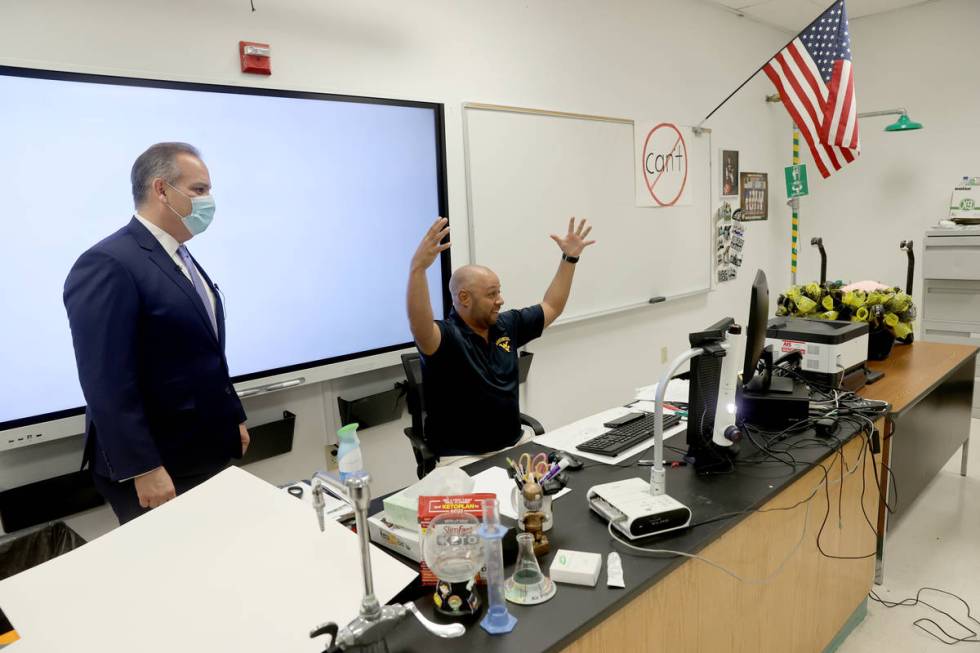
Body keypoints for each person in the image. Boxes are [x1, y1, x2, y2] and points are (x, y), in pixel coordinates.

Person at [63, 142, 249, 524]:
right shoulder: (109, 263)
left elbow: (202, 352)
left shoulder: (179, 255)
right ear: (162, 190)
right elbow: (105, 379)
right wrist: (143, 467)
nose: (209, 200)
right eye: (199, 190)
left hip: (201, 448)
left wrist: (233, 415)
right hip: (158, 464)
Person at [407, 216, 595, 458]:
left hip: (516, 446)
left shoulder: (507, 324)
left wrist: (570, 258)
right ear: (464, 298)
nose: (500, 300)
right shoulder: (444, 337)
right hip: (462, 459)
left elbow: (551, 306)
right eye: (491, 294)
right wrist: (418, 268)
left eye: (499, 291)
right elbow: (418, 323)